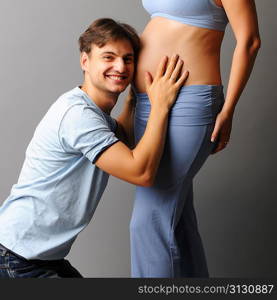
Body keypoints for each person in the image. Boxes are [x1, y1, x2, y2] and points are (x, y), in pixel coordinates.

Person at [0, 18, 188, 278]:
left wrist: (135, 99)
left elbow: (121, 137)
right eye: (108, 57)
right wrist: (160, 107)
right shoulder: (78, 115)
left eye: (128, 59)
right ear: (85, 61)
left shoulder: (94, 113)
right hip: (17, 258)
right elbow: (140, 173)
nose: (120, 66)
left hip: (37, 256)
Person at [130, 0, 261, 277]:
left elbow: (249, 41)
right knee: (178, 224)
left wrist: (228, 110)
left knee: (150, 221)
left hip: (188, 102)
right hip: (147, 100)